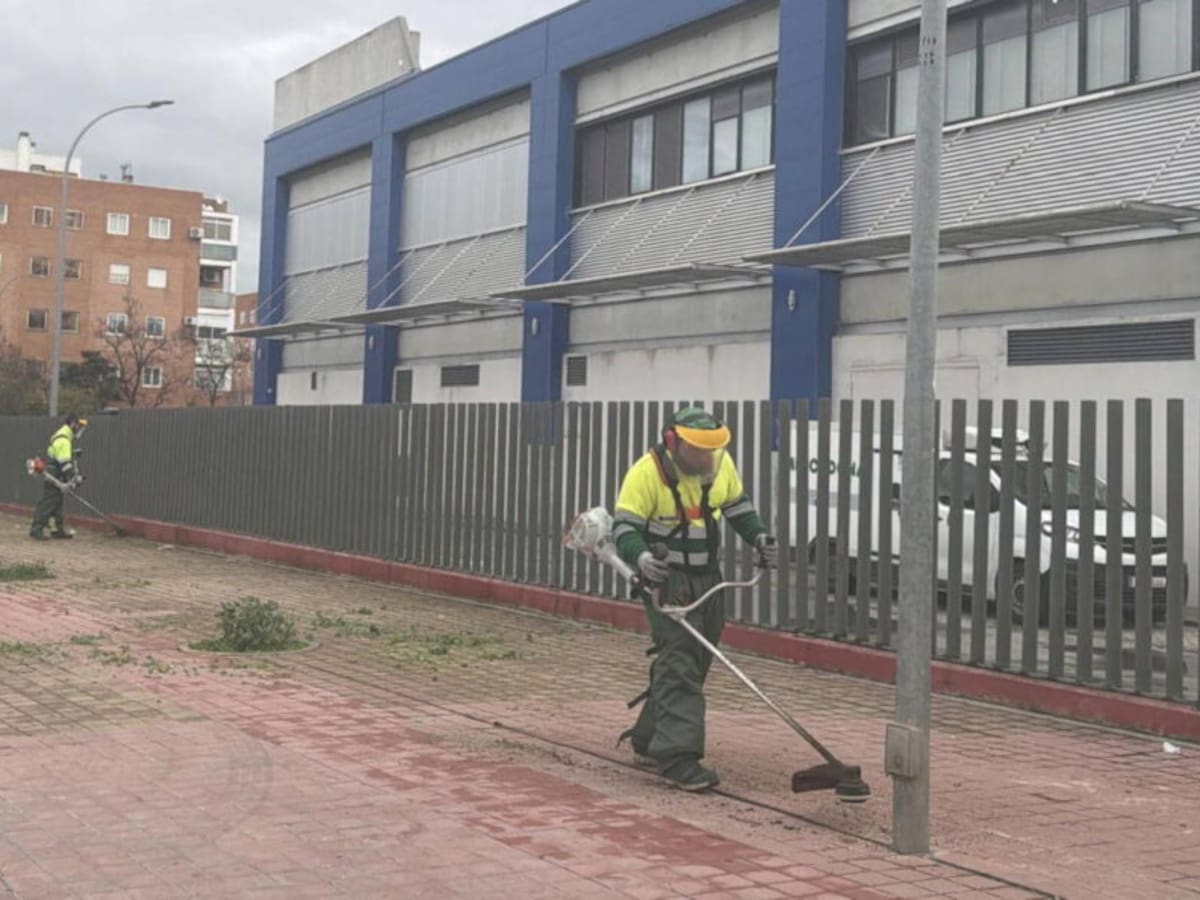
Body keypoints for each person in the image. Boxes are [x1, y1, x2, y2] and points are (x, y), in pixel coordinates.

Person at [613, 407, 776, 791]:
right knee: (681, 657)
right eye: (699, 451)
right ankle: (678, 758)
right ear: (673, 443)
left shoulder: (719, 467)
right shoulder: (645, 473)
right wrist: (642, 559)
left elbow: (738, 507)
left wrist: (760, 537)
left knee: (697, 656)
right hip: (667, 581)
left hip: (708, 577)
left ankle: (649, 738)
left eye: (713, 451)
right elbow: (625, 528)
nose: (707, 459)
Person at [30, 414, 87, 541]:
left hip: (55, 472)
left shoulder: (62, 437)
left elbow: (60, 458)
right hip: (54, 475)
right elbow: (65, 464)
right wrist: (73, 478)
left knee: (57, 502)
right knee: (49, 502)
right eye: (79, 425)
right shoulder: (64, 440)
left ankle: (57, 529)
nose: (80, 429)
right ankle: (36, 528)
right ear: (72, 424)